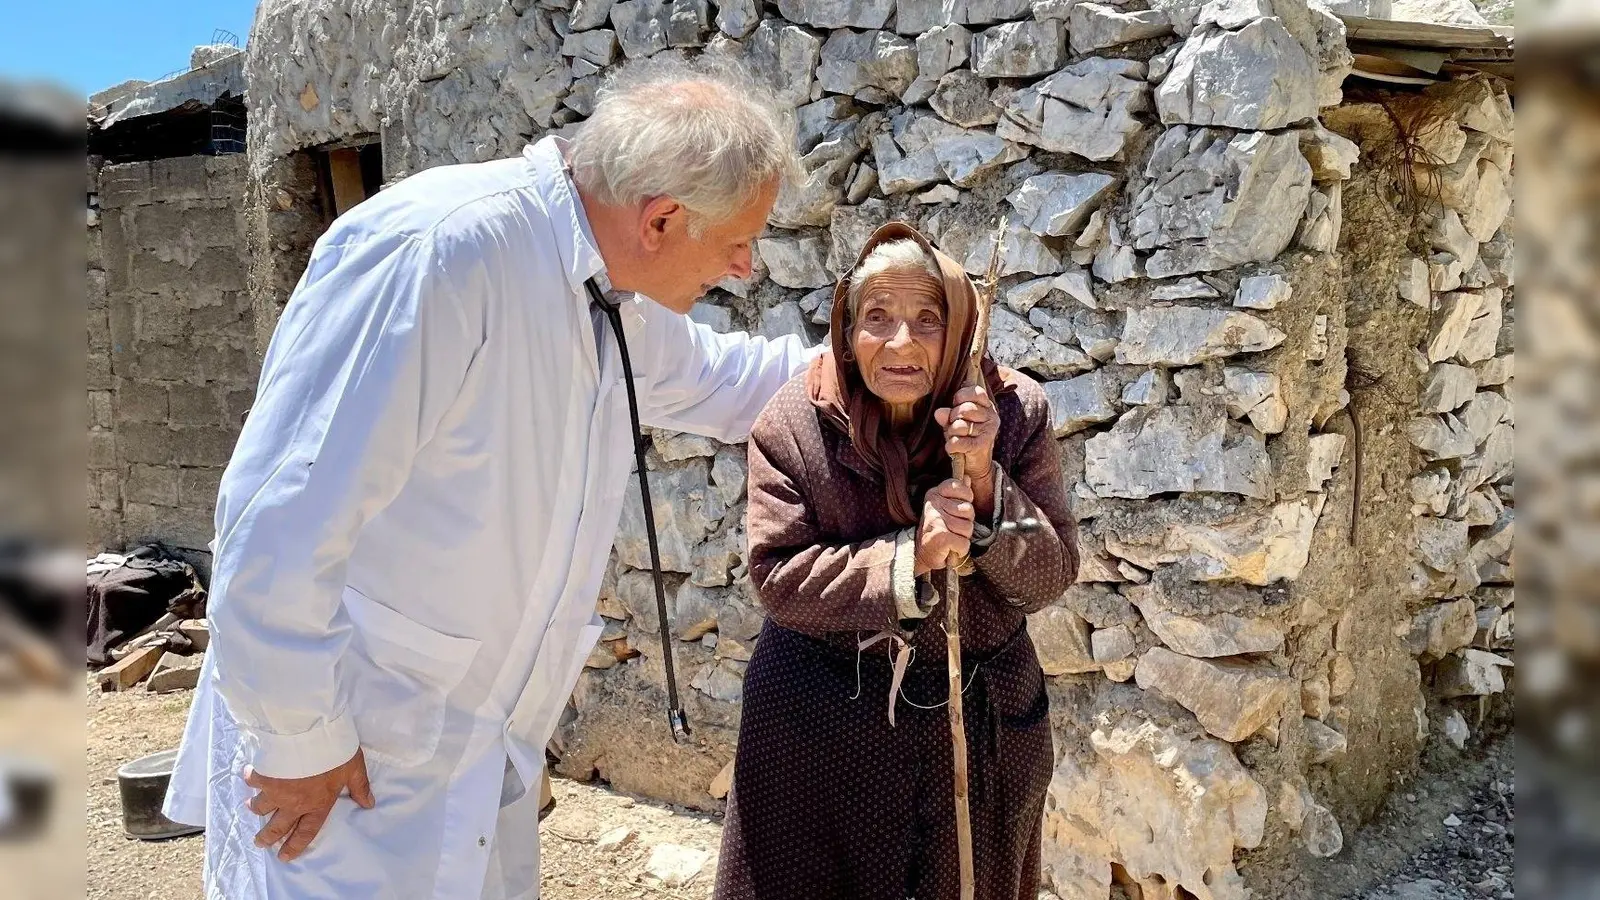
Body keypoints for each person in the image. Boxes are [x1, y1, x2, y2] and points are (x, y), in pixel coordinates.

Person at [162, 55, 815, 900]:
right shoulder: (439, 252)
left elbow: (732, 381)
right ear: (659, 220)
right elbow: (279, 520)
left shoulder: (606, 290)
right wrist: (297, 742)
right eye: (736, 242)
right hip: (344, 764)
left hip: (467, 759)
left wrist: (897, 360)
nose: (745, 268)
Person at [713, 222, 1079, 900]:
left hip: (978, 721)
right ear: (847, 331)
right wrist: (909, 557)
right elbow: (779, 576)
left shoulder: (1012, 411)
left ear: (962, 330)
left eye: (927, 319)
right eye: (876, 318)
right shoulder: (794, 425)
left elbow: (1050, 575)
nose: (900, 343)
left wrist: (984, 485)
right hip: (821, 722)